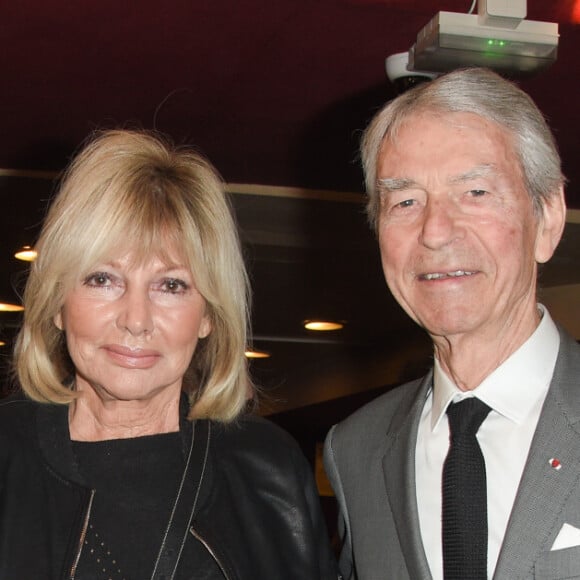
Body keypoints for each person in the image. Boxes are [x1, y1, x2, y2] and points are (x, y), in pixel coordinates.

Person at [0, 129, 338, 579]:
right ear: (58, 302)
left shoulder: (266, 471)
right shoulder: (8, 458)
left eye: (171, 285)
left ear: (207, 316)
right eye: (103, 279)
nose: (136, 319)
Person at [324, 67, 579, 580]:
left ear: (548, 218)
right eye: (406, 201)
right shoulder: (356, 450)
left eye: (476, 192)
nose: (435, 232)